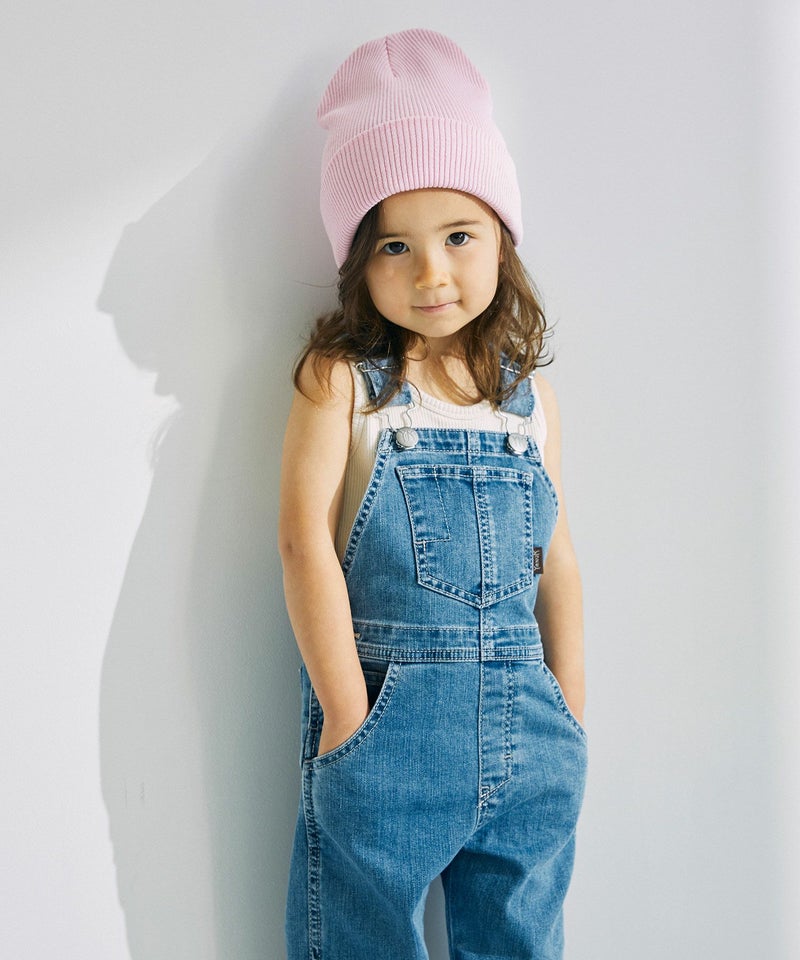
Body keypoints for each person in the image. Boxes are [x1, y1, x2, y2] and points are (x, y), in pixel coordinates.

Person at [279, 28, 587, 960]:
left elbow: (557, 560)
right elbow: (302, 542)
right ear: (358, 263)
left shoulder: (525, 402)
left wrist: (570, 711)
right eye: (394, 246)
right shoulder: (345, 383)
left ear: (502, 239)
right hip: (386, 730)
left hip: (533, 736)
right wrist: (346, 717)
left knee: (520, 944)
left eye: (459, 236)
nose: (431, 273)